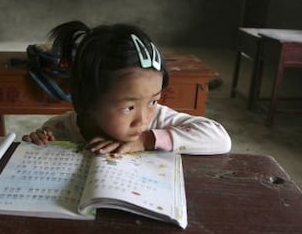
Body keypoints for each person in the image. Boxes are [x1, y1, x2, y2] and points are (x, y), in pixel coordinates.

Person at [23, 21, 231, 156]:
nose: (144, 119)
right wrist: (39, 142)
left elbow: (220, 139)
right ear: (88, 102)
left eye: (153, 101)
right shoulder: (61, 128)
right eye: (129, 108)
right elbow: (44, 150)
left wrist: (147, 139)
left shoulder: (157, 121)